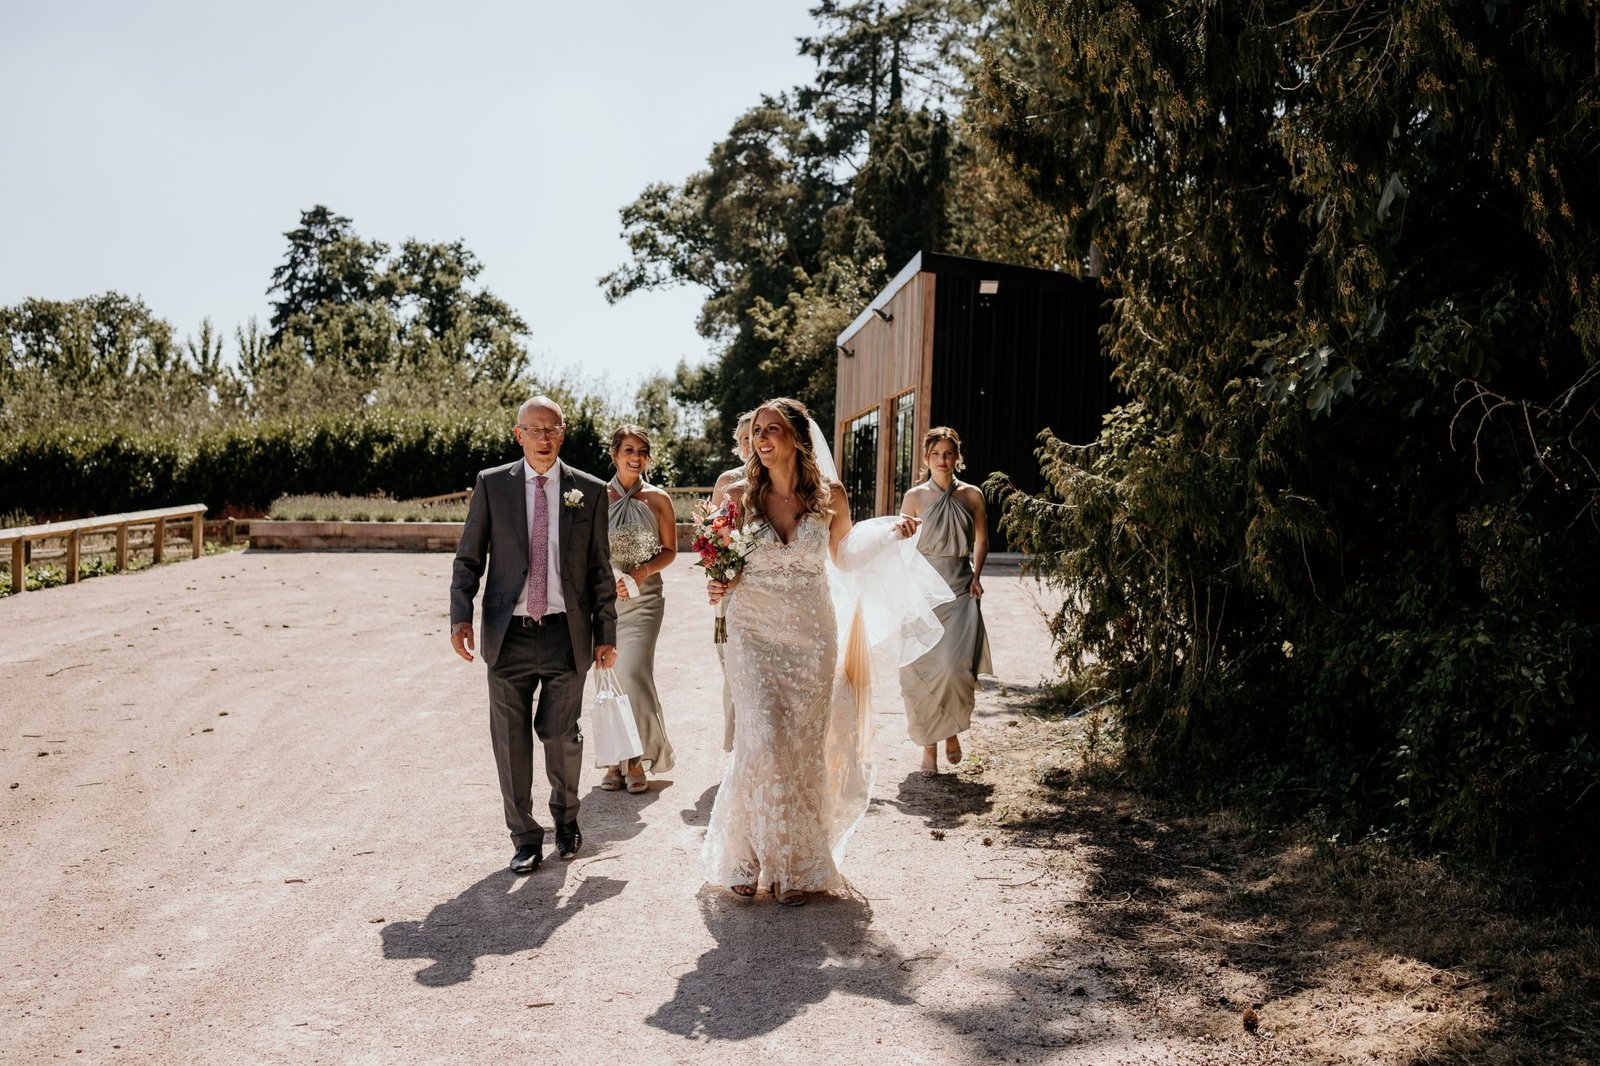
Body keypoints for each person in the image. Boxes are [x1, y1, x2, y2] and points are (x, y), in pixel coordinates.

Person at [703, 397, 950, 906]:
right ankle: (746, 858)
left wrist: (886, 534)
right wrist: (718, 581)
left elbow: (844, 555)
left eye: (773, 429)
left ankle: (797, 865)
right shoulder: (736, 492)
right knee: (763, 737)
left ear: (798, 436)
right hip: (751, 631)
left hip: (812, 634)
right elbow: (718, 555)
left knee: (800, 745)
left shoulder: (829, 494)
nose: (762, 439)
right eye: (757, 431)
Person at [449, 396, 618, 875]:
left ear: (563, 433)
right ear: (518, 434)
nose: (544, 438)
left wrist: (605, 632)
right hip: (509, 636)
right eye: (534, 429)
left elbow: (599, 570)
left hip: (567, 636)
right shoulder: (491, 486)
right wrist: (460, 615)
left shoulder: (588, 489)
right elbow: (468, 558)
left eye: (552, 429)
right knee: (510, 739)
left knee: (561, 734)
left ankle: (566, 821)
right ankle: (524, 837)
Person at [896, 427, 994, 776]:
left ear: (957, 456)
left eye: (949, 453)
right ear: (926, 458)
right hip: (921, 593)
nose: (943, 459)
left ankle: (951, 730)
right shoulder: (914, 497)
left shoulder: (972, 495)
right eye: (936, 453)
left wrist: (978, 575)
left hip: (958, 590)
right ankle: (929, 748)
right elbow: (902, 545)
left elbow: (981, 540)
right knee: (920, 671)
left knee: (954, 670)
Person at [602, 424, 677, 793]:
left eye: (642, 451)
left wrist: (639, 573)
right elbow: (585, 551)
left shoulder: (659, 499)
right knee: (611, 679)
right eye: (629, 450)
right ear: (614, 454)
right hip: (606, 601)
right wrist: (610, 576)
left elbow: (670, 551)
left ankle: (637, 758)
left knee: (633, 673)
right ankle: (616, 762)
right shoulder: (596, 497)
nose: (636, 457)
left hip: (646, 600)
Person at [709, 409, 754, 752]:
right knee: (732, 665)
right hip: (729, 586)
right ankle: (738, 743)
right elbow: (711, 536)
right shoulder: (728, 481)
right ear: (737, 445)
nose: (751, 443)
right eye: (744, 438)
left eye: (756, 435)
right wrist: (716, 575)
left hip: (765, 583)